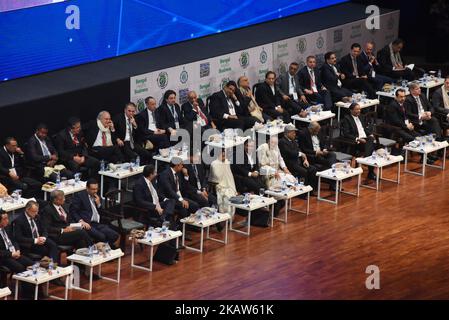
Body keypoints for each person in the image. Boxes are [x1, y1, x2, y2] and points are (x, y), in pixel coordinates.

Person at [70, 179, 119, 247]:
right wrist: (81, 221)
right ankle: (102, 248)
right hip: (87, 224)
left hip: (97, 223)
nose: (95, 191)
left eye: (96, 189)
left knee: (114, 235)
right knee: (102, 237)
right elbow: (73, 211)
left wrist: (99, 204)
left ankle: (103, 247)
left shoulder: (96, 196)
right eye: (93, 189)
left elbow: (102, 213)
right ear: (87, 188)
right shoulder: (80, 196)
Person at [0, 209, 34, 297]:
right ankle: (26, 294)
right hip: (4, 257)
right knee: (20, 267)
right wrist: (11, 254)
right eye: (5, 219)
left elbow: (14, 240)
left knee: (31, 264)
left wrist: (17, 249)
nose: (8, 220)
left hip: (14, 253)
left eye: (7, 218)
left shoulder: (7, 228)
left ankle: (35, 291)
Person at [340, 103, 377, 180]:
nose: (359, 111)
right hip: (357, 142)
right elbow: (346, 133)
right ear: (351, 110)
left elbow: (364, 129)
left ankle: (367, 159)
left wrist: (370, 134)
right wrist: (357, 139)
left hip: (365, 139)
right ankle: (370, 170)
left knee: (371, 140)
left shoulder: (361, 117)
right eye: (357, 109)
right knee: (372, 145)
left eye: (359, 109)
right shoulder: (347, 119)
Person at [278, 124, 318, 190]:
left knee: (313, 169)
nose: (295, 134)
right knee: (304, 172)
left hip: (298, 162)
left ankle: (312, 189)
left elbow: (299, 150)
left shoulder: (293, 140)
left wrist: (305, 159)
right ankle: (303, 192)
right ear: (287, 133)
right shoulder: (282, 142)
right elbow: (290, 153)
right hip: (290, 164)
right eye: (293, 132)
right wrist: (301, 154)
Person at [208, 150, 237, 217]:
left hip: (229, 185)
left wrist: (233, 188)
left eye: (225, 155)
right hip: (220, 186)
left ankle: (230, 217)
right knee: (226, 196)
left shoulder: (227, 162)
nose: (224, 157)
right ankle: (224, 217)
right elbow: (216, 178)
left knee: (232, 194)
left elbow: (230, 177)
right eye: (223, 156)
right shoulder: (214, 164)